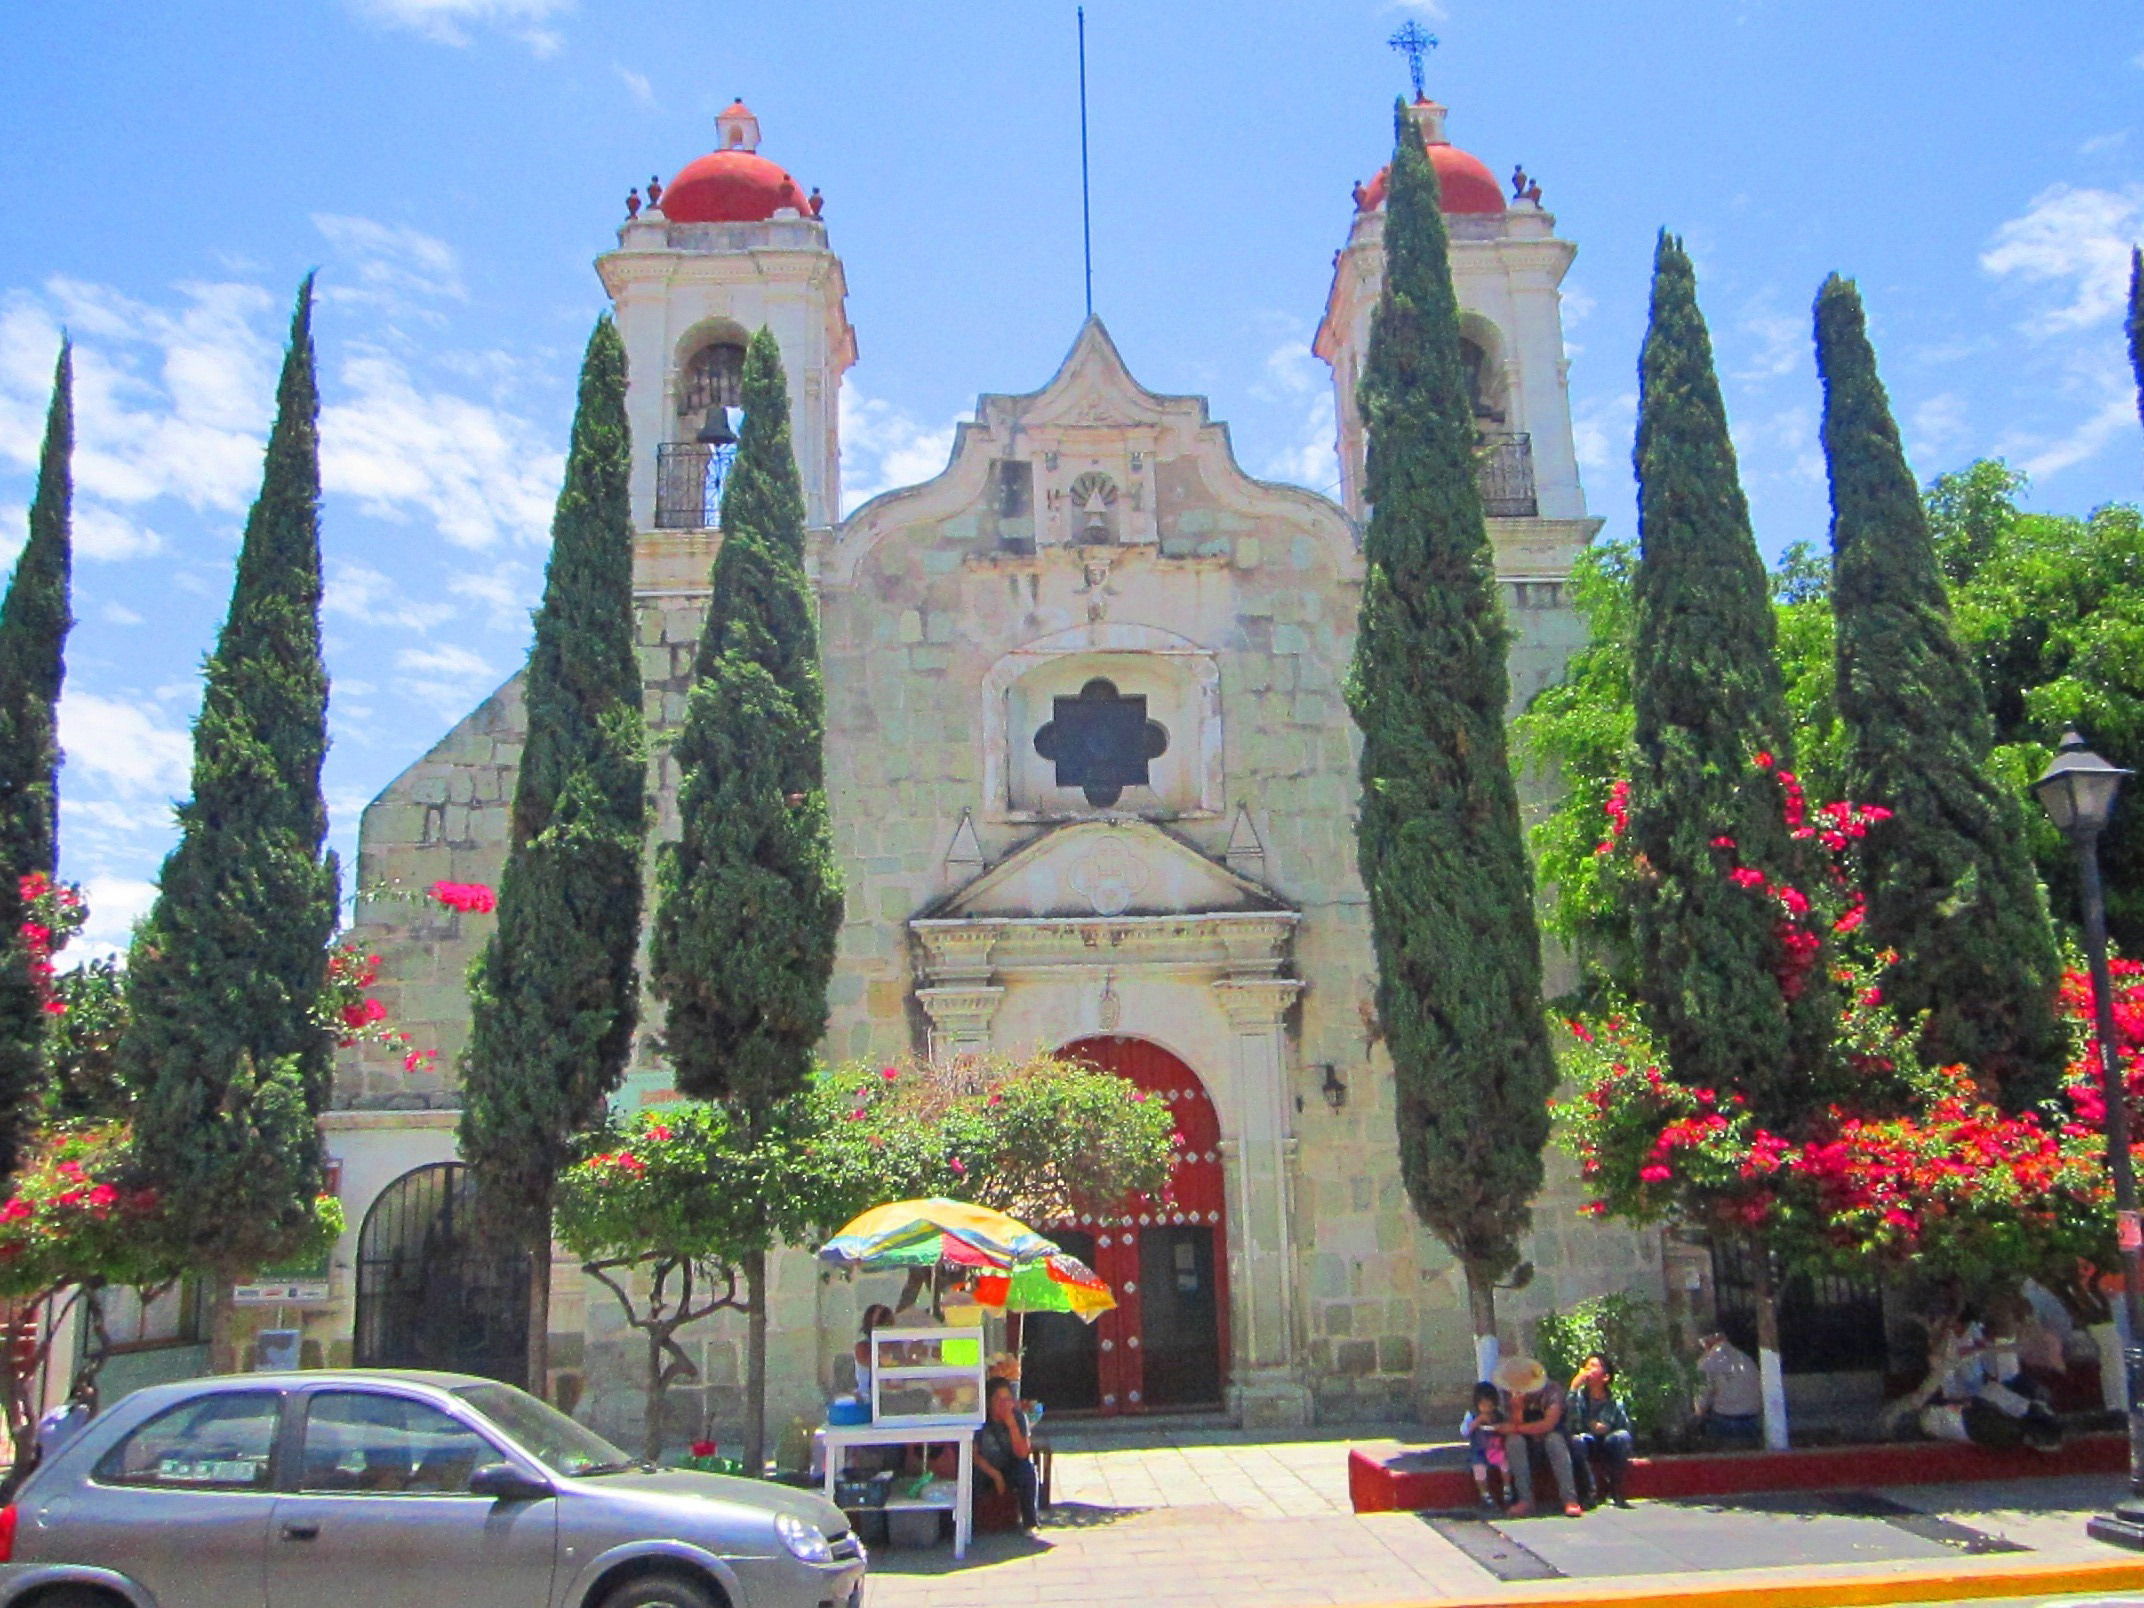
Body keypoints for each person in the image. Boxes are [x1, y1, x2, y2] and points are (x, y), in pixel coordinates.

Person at [1494, 1355, 1582, 1518]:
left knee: (1553, 1441)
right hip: (1528, 1442)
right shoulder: (1510, 1394)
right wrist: (1517, 1409)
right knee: (1514, 1442)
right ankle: (1525, 1499)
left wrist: (1516, 1428)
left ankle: (1569, 1499)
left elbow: (1548, 1424)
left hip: (1553, 1437)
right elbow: (1513, 1426)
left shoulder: (1552, 1391)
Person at [973, 1377, 1039, 1531]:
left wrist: (1011, 1424)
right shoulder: (981, 1419)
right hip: (985, 1467)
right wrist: (995, 1475)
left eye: (1007, 1399)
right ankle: (972, 1522)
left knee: (1027, 1471)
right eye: (999, 1400)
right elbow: (974, 1454)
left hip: (1010, 1465)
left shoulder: (1018, 1417)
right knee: (972, 1477)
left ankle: (1030, 1521)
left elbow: (1023, 1453)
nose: (1004, 1404)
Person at [1569, 1353, 1635, 1507]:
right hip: (1588, 1442)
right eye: (1586, 1366)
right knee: (1577, 1441)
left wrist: (1606, 1428)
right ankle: (1589, 1492)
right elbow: (1571, 1418)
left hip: (1608, 1443)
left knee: (1622, 1437)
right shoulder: (1578, 1398)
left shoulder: (1614, 1402)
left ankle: (1616, 1490)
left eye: (1593, 1366)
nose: (1587, 1370)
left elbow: (1625, 1428)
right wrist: (1573, 1388)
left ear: (1605, 1377)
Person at [1695, 1326, 1763, 1445]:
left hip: (1725, 1420)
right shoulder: (1746, 1359)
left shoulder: (1707, 1361)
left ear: (1705, 1341)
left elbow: (1703, 1397)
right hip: (1752, 1419)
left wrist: (1697, 1416)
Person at [1460, 1381, 1508, 1509]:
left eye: (1490, 1405)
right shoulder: (1472, 1415)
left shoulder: (1498, 1415)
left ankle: (1507, 1488)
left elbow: (1506, 1428)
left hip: (1496, 1449)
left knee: (1505, 1463)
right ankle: (1485, 1493)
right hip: (1480, 1451)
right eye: (1483, 1405)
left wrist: (1499, 1427)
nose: (1487, 1409)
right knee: (1479, 1469)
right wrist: (1477, 1422)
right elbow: (1464, 1431)